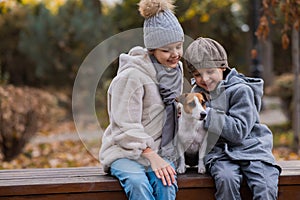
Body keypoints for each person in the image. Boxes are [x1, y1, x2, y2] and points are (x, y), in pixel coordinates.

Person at [99, 0, 185, 199]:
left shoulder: (174, 71)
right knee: (138, 184)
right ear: (152, 50)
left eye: (179, 47)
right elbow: (125, 126)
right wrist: (151, 156)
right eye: (166, 50)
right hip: (124, 151)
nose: (175, 55)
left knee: (166, 182)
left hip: (159, 150)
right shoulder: (132, 77)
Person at [184, 37, 281, 200]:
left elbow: (238, 131)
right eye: (198, 74)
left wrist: (208, 114)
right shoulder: (196, 95)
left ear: (222, 67)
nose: (205, 79)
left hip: (252, 149)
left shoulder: (241, 90)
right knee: (226, 179)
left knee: (265, 185)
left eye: (210, 71)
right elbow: (194, 132)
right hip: (219, 153)